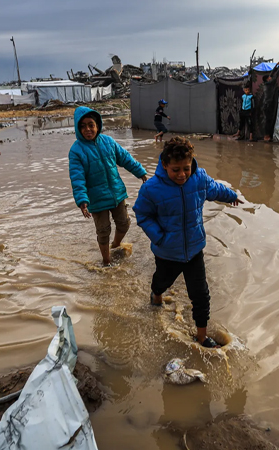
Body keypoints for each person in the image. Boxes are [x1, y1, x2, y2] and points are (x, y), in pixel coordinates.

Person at [133, 136, 243, 348]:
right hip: (167, 252)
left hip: (194, 250)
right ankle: (156, 294)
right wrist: (160, 238)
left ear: (192, 162)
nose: (182, 174)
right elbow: (142, 215)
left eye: (186, 168)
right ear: (164, 165)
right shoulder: (151, 189)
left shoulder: (199, 178)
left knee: (201, 295)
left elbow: (214, 189)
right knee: (161, 282)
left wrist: (231, 196)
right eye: (176, 170)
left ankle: (202, 337)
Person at [69, 106, 148, 266]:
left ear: (98, 125)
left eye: (91, 124)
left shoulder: (108, 142)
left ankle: (116, 245)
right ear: (78, 128)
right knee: (103, 231)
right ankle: (106, 261)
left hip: (117, 193)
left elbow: (126, 159)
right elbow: (77, 178)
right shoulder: (76, 151)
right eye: (82, 126)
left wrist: (141, 173)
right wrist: (82, 200)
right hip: (96, 199)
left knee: (124, 223)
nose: (88, 129)